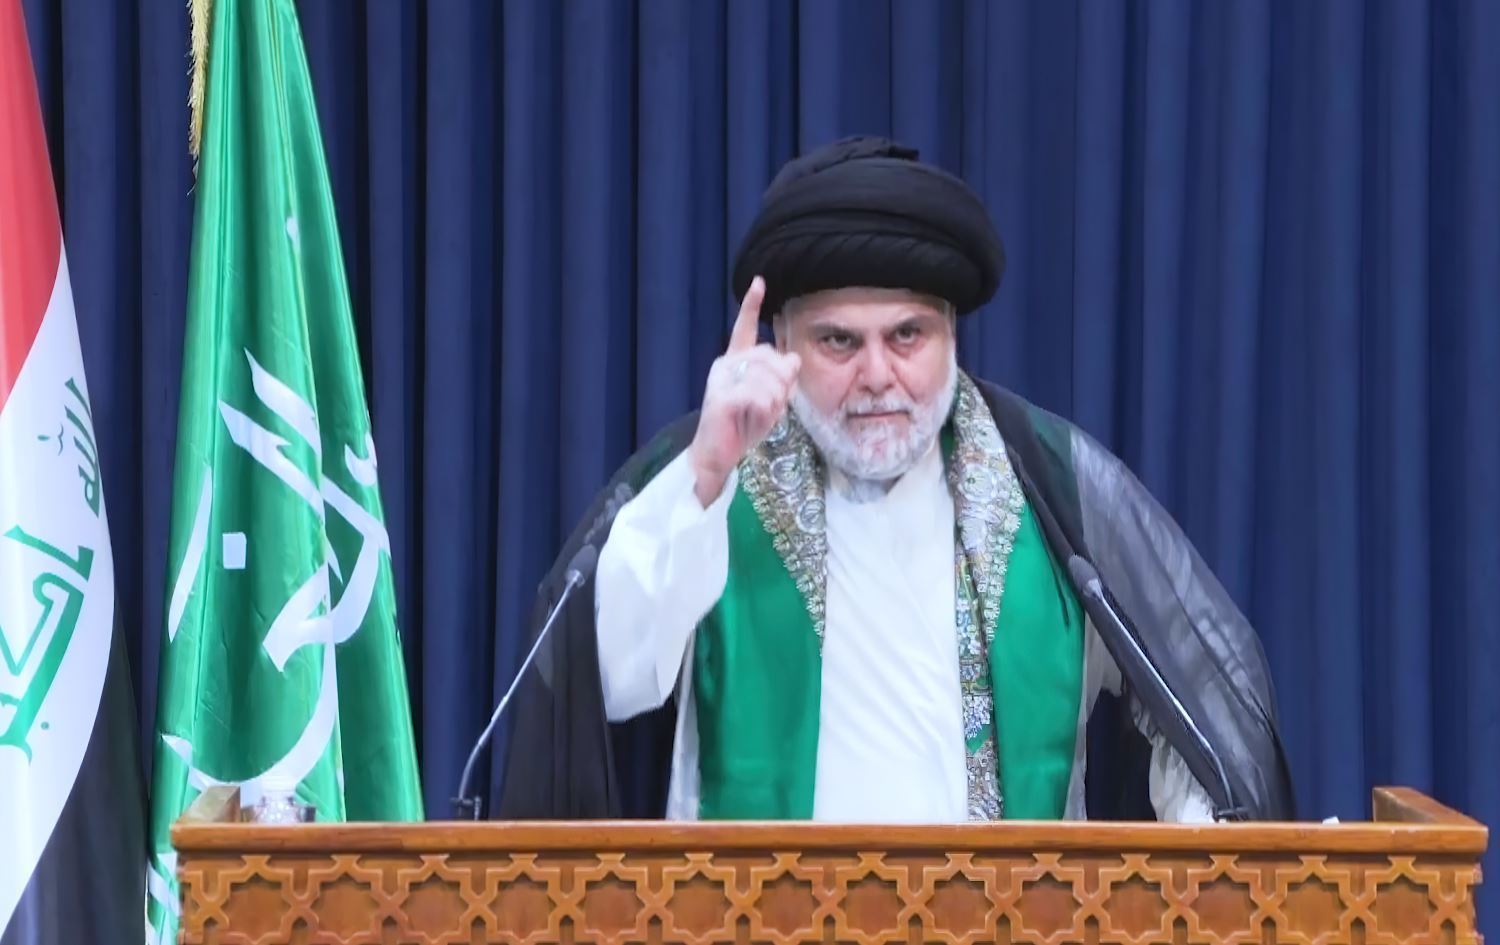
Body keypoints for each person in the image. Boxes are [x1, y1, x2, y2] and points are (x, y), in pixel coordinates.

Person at [498, 136, 1294, 823]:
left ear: (951, 335)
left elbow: (1203, 695)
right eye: (839, 341)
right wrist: (705, 473)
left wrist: (1207, 863)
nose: (878, 375)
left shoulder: (1048, 485)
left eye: (907, 335)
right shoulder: (712, 478)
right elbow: (606, 677)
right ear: (781, 342)